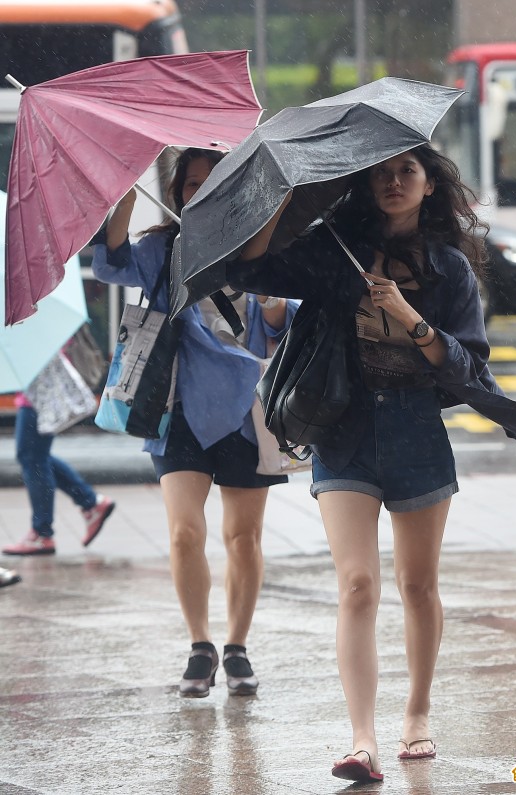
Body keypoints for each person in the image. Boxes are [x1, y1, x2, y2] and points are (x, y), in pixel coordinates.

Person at [226, 144, 516, 781]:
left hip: (415, 432)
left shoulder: (449, 270)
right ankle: (362, 739)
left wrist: (412, 321)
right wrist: (277, 201)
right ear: (366, 186)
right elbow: (253, 272)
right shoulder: (332, 256)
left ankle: (418, 715)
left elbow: (468, 369)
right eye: (382, 173)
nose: (395, 182)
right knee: (356, 586)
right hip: (343, 432)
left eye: (408, 171)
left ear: (431, 185)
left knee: (417, 586)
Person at [91, 148, 298, 699]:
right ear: (177, 189)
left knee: (243, 536)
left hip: (249, 410)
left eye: (210, 182)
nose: (196, 192)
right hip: (177, 406)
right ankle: (200, 646)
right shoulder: (163, 247)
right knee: (184, 533)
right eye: (188, 184)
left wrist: (274, 306)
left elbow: (284, 322)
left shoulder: (260, 244)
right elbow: (110, 262)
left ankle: (237, 646)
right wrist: (123, 200)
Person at [2, 384, 116, 557]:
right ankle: (91, 503)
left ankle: (42, 533)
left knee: (33, 458)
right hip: (40, 394)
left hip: (39, 395)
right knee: (36, 456)